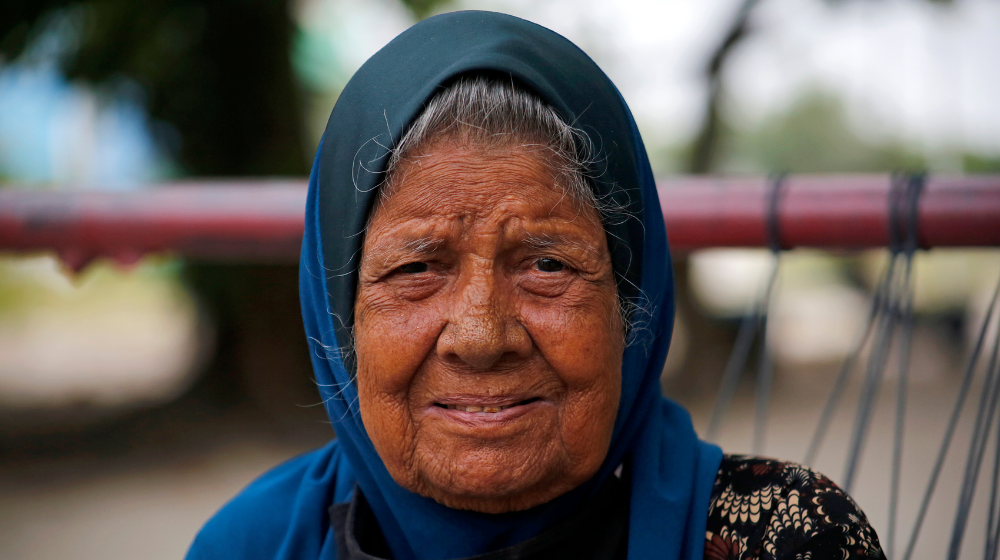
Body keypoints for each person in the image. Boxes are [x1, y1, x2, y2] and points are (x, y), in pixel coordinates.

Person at [186, 11, 885, 560]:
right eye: (416, 268)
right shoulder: (249, 546)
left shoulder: (787, 538)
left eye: (546, 265)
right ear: (341, 326)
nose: (482, 336)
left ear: (629, 309)